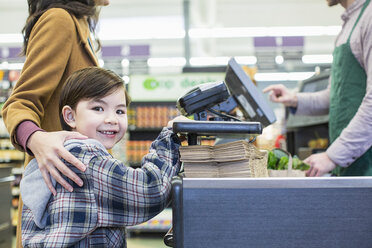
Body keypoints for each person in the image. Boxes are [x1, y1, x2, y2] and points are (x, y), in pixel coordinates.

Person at [20, 67, 184, 247]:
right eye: (98, 108)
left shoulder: (58, 154)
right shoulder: (86, 158)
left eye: (120, 111)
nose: (112, 119)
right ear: (70, 116)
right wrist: (171, 136)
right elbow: (152, 190)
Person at [2, 1, 108, 247]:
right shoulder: (59, 20)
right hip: (58, 197)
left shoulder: (79, 25)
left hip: (77, 196)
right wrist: (37, 139)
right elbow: (19, 103)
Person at [263, 0, 372, 177]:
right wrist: (294, 99)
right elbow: (335, 96)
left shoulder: (369, 17)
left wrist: (332, 156)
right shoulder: (349, 25)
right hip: (351, 163)